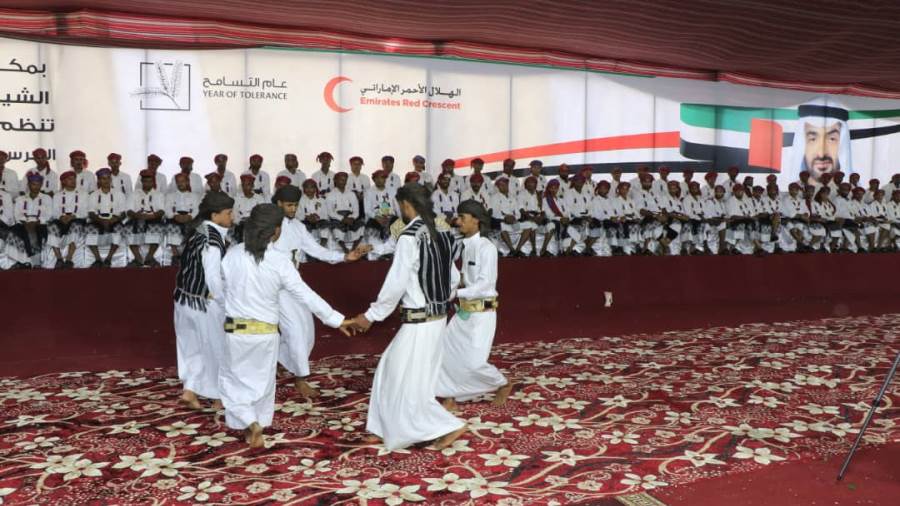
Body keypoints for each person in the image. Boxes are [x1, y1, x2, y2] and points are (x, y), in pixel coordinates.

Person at [220, 204, 354, 447]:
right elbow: (306, 294)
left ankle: (250, 423)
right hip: (266, 334)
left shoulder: (233, 254)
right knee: (262, 384)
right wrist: (336, 319)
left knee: (233, 381)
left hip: (236, 331)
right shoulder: (280, 261)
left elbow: (221, 290)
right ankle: (255, 426)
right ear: (276, 231)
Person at [349, 183, 467, 451]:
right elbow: (454, 277)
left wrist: (371, 315)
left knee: (400, 377)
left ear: (405, 205)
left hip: (419, 320)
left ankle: (447, 425)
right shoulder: (444, 233)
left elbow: (396, 283)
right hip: (438, 317)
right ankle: (382, 429)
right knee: (403, 374)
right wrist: (440, 298)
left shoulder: (409, 236)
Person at [272, 184, 370, 397]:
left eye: (295, 205)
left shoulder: (298, 226)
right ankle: (301, 379)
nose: (293, 209)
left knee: (307, 330)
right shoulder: (270, 227)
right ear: (278, 203)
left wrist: (344, 257)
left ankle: (278, 360)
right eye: (289, 205)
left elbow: (316, 250)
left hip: (294, 285)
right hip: (275, 288)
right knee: (295, 331)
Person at [436, 199, 512, 410]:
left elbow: (484, 284)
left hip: (482, 313)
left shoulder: (487, 248)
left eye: (462, 217)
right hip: (463, 312)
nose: (457, 221)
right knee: (444, 352)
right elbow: (465, 278)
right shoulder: (465, 245)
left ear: (476, 220)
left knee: (474, 363)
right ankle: (450, 396)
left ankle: (502, 384)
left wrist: (453, 293)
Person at [172, 191, 235, 411]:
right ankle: (219, 398)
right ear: (215, 215)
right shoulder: (213, 238)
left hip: (183, 299)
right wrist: (225, 304)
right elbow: (212, 277)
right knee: (217, 347)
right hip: (203, 302)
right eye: (228, 213)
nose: (232, 217)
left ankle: (190, 390)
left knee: (192, 347)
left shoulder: (197, 230)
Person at [790, 99, 852, 184]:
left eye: (832, 139)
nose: (821, 154)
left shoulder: (853, 191)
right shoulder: (794, 190)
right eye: (813, 139)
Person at [86, 168, 126, 267]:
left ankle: (109, 258)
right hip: (98, 219)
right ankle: (98, 259)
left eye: (108, 178)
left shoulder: (119, 194)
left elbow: (123, 213)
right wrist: (101, 221)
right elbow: (91, 213)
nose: (106, 181)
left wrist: (115, 219)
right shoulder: (93, 195)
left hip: (114, 219)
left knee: (119, 229)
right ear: (99, 181)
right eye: (103, 179)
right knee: (89, 229)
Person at [126, 169, 166, 267]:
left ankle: (149, 257)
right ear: (142, 181)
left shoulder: (159, 194)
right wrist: (138, 216)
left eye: (150, 181)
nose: (147, 183)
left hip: (153, 218)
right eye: (145, 181)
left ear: (153, 182)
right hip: (137, 218)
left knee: (158, 228)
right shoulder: (134, 194)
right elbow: (129, 211)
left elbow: (161, 211)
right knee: (128, 228)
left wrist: (152, 216)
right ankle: (137, 258)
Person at [11, 173, 52, 268]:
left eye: (38, 184)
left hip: (40, 224)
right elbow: (17, 214)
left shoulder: (47, 198)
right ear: (29, 185)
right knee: (15, 230)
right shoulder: (20, 199)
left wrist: (37, 222)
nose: (36, 187)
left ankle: (36, 262)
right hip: (23, 223)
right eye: (33, 184)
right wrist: (25, 222)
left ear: (41, 185)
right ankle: (21, 261)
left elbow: (49, 214)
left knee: (35, 231)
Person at [48, 171, 87, 269]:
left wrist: (74, 216)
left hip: (77, 219)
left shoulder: (83, 194)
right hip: (62, 220)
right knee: (52, 226)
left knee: (75, 225)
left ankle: (69, 259)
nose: (73, 181)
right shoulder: (57, 195)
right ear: (63, 182)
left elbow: (85, 212)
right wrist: (61, 217)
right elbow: (54, 212)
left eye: (74, 179)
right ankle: (59, 259)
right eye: (70, 179)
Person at [326, 172, 364, 253]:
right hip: (337, 218)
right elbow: (330, 212)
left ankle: (353, 249)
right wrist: (342, 219)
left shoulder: (351, 194)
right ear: (335, 180)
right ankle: (344, 249)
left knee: (362, 225)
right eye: (340, 180)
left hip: (350, 217)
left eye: (344, 180)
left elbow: (356, 211)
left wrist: (352, 218)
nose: (343, 182)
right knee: (335, 228)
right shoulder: (330, 195)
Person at [166, 173, 200, 263]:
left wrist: (190, 216)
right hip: (175, 218)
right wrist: (175, 216)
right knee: (170, 226)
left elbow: (197, 210)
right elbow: (167, 210)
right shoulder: (170, 196)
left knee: (195, 228)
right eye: (178, 182)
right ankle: (175, 255)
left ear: (187, 182)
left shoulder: (194, 196)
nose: (180, 184)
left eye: (182, 181)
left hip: (189, 218)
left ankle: (187, 255)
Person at [490, 176, 528, 256]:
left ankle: (518, 249)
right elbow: (494, 213)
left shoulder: (512, 197)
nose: (504, 186)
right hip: (503, 221)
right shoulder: (494, 197)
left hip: (514, 222)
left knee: (529, 227)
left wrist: (514, 217)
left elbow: (518, 213)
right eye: (502, 185)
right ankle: (512, 250)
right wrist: (505, 218)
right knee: (503, 227)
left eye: (506, 184)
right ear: (498, 187)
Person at [364, 170, 399, 255]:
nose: (380, 180)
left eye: (382, 178)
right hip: (375, 218)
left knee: (398, 224)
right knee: (372, 227)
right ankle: (376, 252)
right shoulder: (369, 192)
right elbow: (367, 210)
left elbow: (397, 207)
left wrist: (400, 218)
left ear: (385, 179)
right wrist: (377, 218)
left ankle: (392, 252)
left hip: (390, 217)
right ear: (374, 179)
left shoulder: (392, 191)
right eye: (377, 178)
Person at [298, 179, 330, 248]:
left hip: (318, 221)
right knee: (303, 227)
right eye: (307, 187)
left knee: (325, 226)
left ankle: (322, 245)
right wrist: (307, 217)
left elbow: (325, 214)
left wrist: (317, 217)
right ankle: (309, 247)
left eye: (312, 187)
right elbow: (298, 215)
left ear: (315, 189)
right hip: (306, 221)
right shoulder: (300, 200)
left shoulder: (321, 200)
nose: (309, 190)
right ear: (304, 189)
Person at [233, 174, 265, 242]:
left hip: (256, 227)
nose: (246, 187)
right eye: (243, 185)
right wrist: (240, 221)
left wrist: (251, 220)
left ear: (253, 186)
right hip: (241, 228)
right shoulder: (237, 199)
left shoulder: (259, 199)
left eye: (248, 184)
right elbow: (234, 216)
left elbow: (262, 215)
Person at [703, 185, 728, 254]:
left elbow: (723, 215)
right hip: (709, 223)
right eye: (718, 191)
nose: (719, 193)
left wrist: (724, 219)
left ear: (723, 193)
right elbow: (707, 217)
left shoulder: (722, 203)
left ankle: (722, 248)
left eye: (721, 192)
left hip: (718, 223)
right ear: (715, 192)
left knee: (724, 224)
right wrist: (720, 219)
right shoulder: (710, 201)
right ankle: (706, 248)